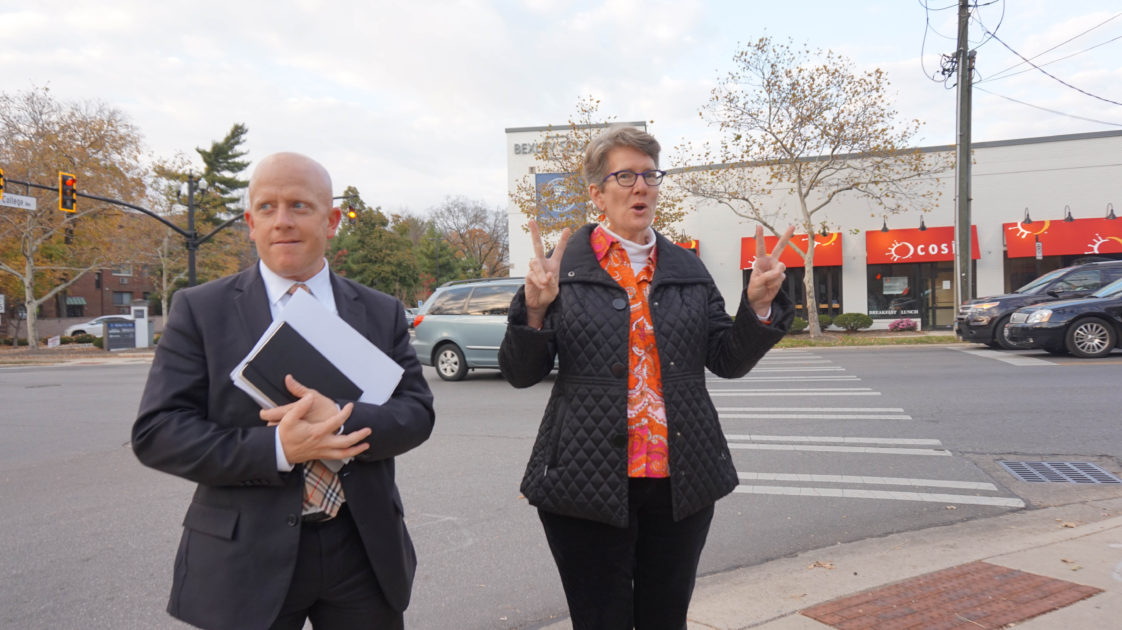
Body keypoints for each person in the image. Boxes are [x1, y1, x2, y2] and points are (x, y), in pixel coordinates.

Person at [498, 126, 795, 629]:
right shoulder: (561, 270)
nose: (642, 187)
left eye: (650, 175)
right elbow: (520, 373)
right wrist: (533, 310)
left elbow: (727, 358)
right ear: (597, 193)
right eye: (626, 175)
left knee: (665, 617)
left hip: (680, 482)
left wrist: (759, 307)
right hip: (584, 483)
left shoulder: (686, 266)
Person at [132, 152, 434, 630]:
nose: (282, 222)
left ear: (332, 220)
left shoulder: (379, 312)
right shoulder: (200, 310)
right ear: (250, 222)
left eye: (299, 206)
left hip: (361, 551)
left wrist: (340, 418)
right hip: (243, 558)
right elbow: (158, 432)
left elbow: (416, 412)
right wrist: (278, 448)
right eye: (267, 208)